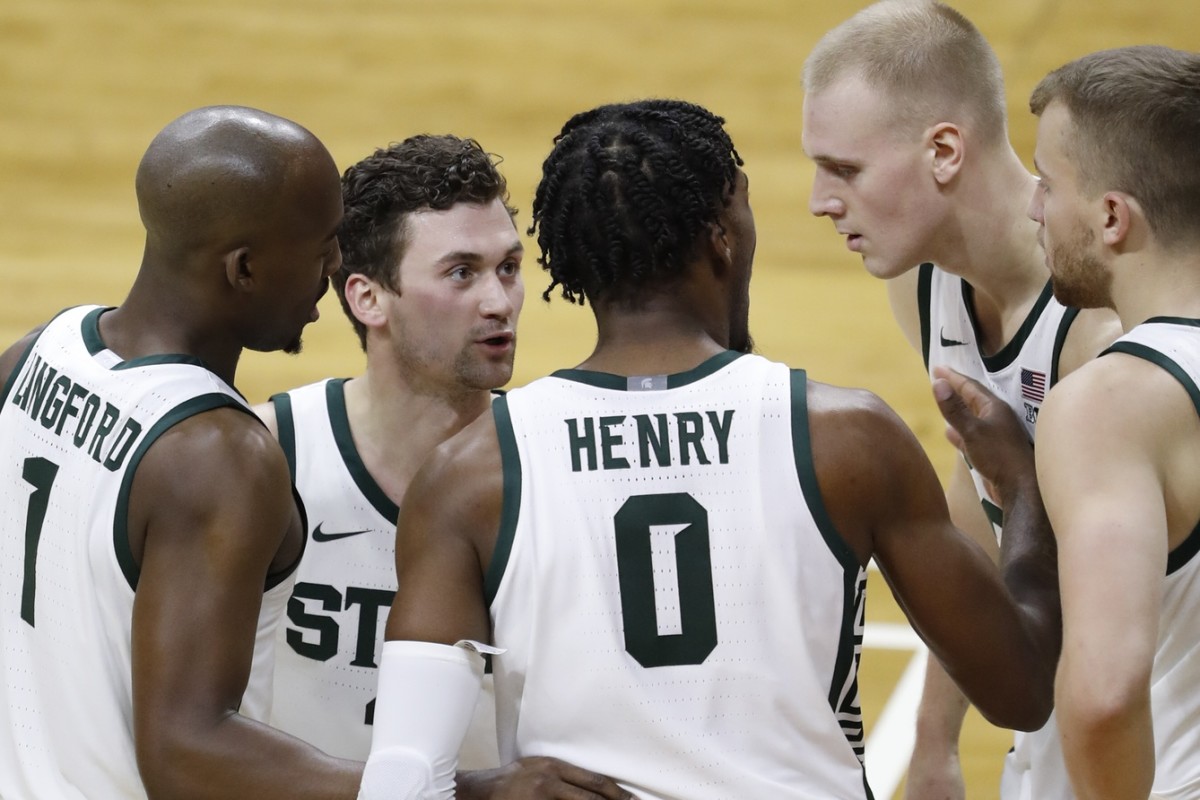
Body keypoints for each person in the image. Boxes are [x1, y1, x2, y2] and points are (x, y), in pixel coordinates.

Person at [353, 98, 1062, 800]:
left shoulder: (470, 473)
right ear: (722, 236)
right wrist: (1022, 488)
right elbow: (1023, 690)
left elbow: (404, 783)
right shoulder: (847, 438)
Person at [800, 3, 1121, 797]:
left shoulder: (1103, 323)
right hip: (1059, 718)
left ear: (944, 151)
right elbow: (980, 495)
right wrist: (934, 738)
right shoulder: (924, 281)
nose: (818, 200)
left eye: (845, 170)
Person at [0, 106, 363, 798]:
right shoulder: (217, 455)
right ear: (244, 268)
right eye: (321, 245)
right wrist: (455, 788)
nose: (337, 264)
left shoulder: (34, 353)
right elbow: (187, 752)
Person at [258, 134, 630, 799]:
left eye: (509, 268)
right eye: (461, 273)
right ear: (368, 298)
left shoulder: (556, 469)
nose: (499, 302)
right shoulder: (267, 456)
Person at [1024, 46, 1200, 799]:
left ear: (1111, 216)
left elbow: (1103, 695)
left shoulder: (1112, 402)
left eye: (1047, 182)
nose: (1033, 208)